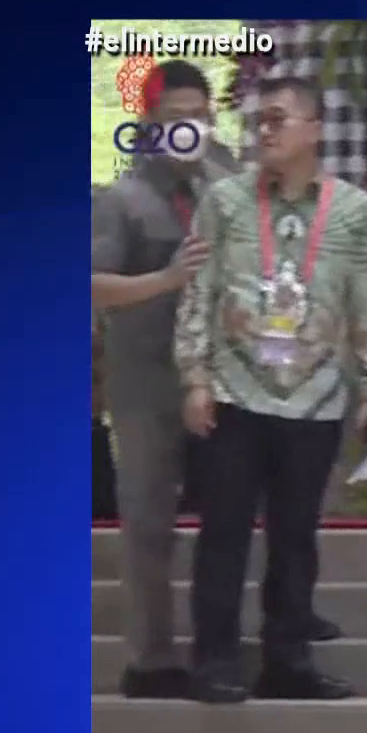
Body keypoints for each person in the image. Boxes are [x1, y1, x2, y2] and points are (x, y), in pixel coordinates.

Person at [174, 76, 367, 704]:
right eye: (258, 122)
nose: (265, 132)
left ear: (314, 130)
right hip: (235, 388)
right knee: (223, 531)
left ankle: (289, 661)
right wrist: (195, 377)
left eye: (278, 119)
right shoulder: (225, 201)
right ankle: (215, 660)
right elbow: (200, 291)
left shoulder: (354, 211)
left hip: (316, 393)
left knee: (296, 534)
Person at [91, 60, 236, 699]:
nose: (192, 130)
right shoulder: (121, 200)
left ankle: (218, 652)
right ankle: (150, 660)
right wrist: (167, 279)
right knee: (149, 521)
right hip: (146, 383)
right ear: (148, 123)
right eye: (177, 118)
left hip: (221, 379)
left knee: (227, 518)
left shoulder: (226, 184)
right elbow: (92, 285)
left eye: (201, 117)